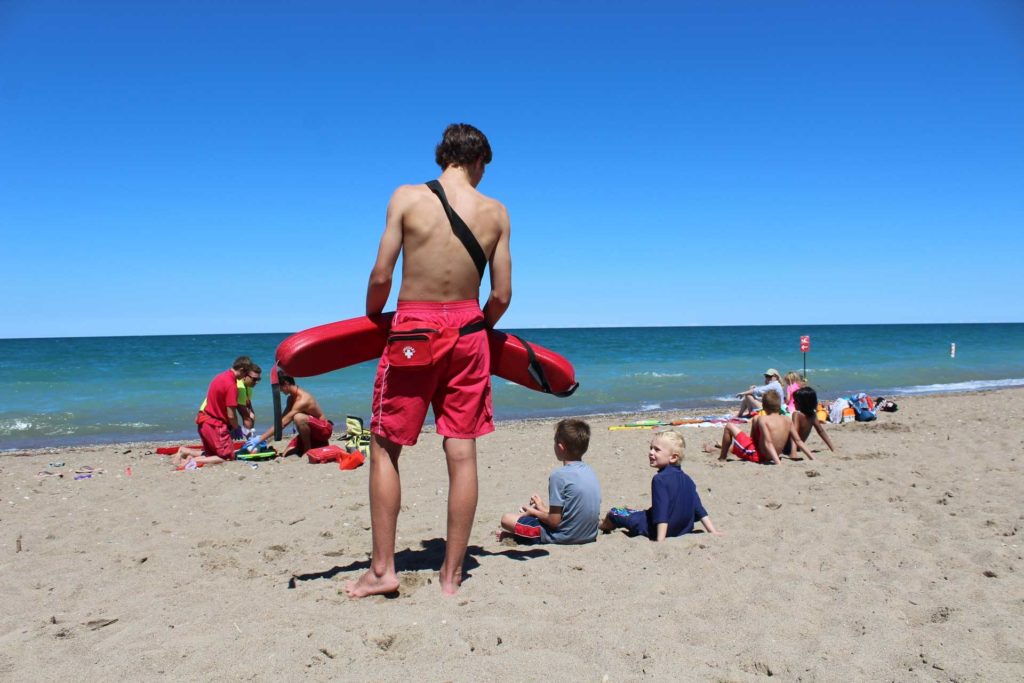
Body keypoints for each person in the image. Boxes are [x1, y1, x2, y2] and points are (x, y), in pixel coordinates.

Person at [346, 123, 512, 598]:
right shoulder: (496, 212)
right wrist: (476, 323)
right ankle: (451, 575)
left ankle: (382, 571)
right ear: (478, 160)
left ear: (445, 157)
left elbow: (382, 273)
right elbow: (501, 294)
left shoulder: (406, 197)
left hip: (413, 330)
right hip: (469, 332)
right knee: (461, 452)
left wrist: (374, 317)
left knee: (385, 446)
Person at [599, 431, 721, 541]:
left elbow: (661, 512)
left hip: (655, 528)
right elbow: (699, 509)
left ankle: (602, 525)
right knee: (636, 512)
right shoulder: (688, 479)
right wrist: (712, 531)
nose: (651, 452)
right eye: (651, 448)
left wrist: (660, 540)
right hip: (682, 530)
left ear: (673, 457)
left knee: (615, 512)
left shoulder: (659, 479)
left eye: (656, 450)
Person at [498, 419, 601, 545]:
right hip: (589, 534)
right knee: (535, 517)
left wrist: (533, 512)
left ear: (560, 447)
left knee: (506, 519)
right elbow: (570, 511)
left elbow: (554, 522)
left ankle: (518, 536)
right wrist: (542, 508)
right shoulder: (590, 471)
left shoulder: (559, 476)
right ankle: (519, 534)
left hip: (565, 536)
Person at [172, 356, 252, 469]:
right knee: (228, 456)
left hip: (203, 422)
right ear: (242, 369)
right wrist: (236, 427)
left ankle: (185, 452)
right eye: (246, 374)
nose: (244, 377)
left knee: (211, 455)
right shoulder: (231, 385)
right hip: (215, 426)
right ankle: (191, 460)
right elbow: (231, 414)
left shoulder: (219, 377)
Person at [705, 390, 813, 464]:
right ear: (779, 406)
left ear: (764, 407)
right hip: (772, 454)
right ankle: (717, 449)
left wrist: (777, 463)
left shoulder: (763, 419)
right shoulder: (787, 420)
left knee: (729, 426)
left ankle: (722, 458)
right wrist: (811, 457)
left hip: (759, 456)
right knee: (739, 444)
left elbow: (768, 442)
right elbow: (798, 441)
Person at [257, 374, 332, 456]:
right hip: (311, 434)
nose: (280, 391)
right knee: (285, 453)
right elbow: (281, 421)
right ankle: (314, 445)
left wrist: (260, 439)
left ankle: (307, 449)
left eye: (280, 387)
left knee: (298, 417)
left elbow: (284, 422)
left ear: (286, 384)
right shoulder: (291, 399)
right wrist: (265, 438)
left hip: (323, 431)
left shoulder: (303, 400)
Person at [199, 362, 261, 438]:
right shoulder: (239, 388)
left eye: (259, 379)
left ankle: (184, 450)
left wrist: (250, 431)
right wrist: (250, 438)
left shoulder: (248, 387)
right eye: (254, 379)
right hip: (209, 418)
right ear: (245, 376)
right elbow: (246, 417)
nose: (257, 382)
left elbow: (250, 412)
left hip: (214, 417)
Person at [792, 386, 835, 453]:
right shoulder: (813, 415)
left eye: (795, 401)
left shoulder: (797, 415)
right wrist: (832, 448)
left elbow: (794, 434)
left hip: (788, 447)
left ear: (803, 403)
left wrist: (793, 452)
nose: (793, 402)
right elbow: (821, 431)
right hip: (798, 446)